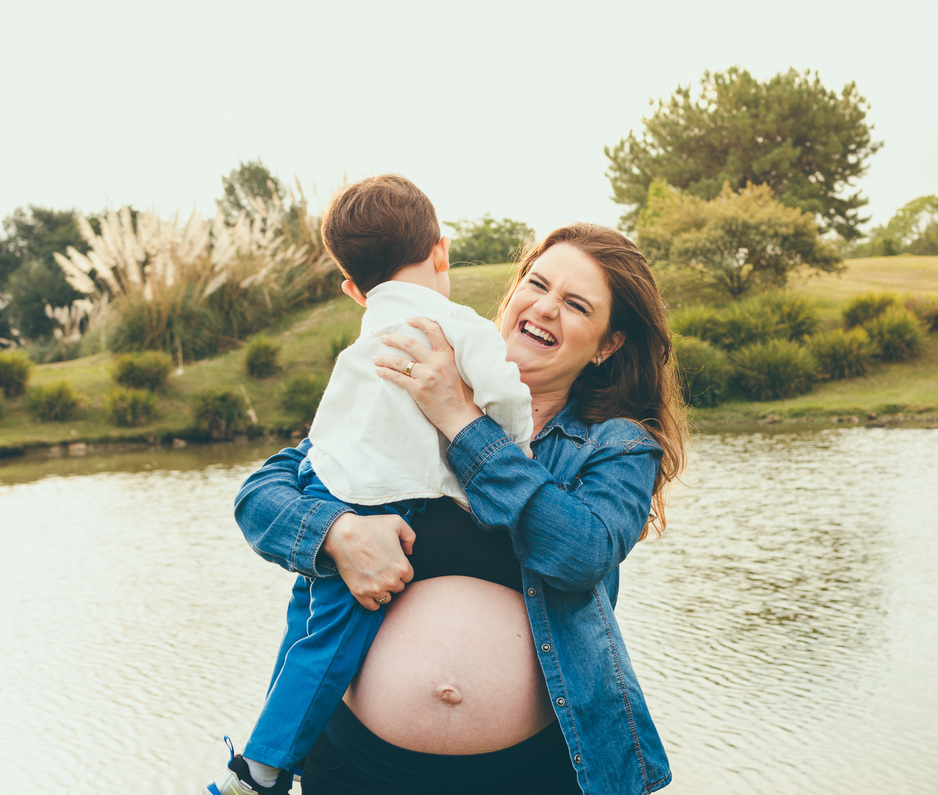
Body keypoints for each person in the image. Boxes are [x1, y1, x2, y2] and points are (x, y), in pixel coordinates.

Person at [232, 222, 687, 794]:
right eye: (537, 284)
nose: (546, 308)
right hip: (355, 766)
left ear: (608, 344)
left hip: (532, 775)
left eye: (575, 305)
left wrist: (462, 422)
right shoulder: (407, 390)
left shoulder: (616, 445)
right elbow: (261, 494)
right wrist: (335, 532)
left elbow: (581, 552)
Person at [207, 174, 534, 795]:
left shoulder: (368, 334)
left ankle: (265, 749)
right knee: (330, 637)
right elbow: (506, 397)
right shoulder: (457, 326)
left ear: (353, 290)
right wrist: (515, 440)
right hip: (365, 498)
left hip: (325, 478)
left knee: (305, 624)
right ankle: (265, 767)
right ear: (440, 250)